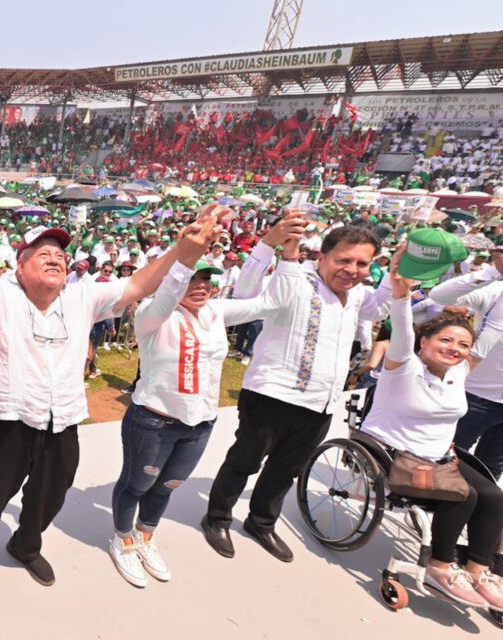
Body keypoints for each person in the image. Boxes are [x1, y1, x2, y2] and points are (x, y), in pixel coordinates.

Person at [0, 210, 215, 588]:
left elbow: (139, 285)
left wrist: (180, 249)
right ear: (20, 268)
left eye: (60, 254)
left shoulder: (82, 296)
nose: (55, 258)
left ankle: (26, 546)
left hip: (61, 419)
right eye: (43, 254)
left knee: (50, 494)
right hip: (3, 419)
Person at [108, 214, 295, 588]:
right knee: (137, 485)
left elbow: (274, 301)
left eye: (206, 279)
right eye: (193, 278)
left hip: (199, 424)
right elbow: (164, 295)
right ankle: (123, 539)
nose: (201, 286)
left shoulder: (216, 312)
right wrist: (185, 258)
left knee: (168, 486)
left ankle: (146, 536)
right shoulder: (153, 316)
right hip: (154, 421)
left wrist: (277, 247)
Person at [202, 212, 395, 563]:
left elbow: (381, 305)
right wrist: (270, 245)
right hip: (273, 394)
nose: (352, 270)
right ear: (322, 256)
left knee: (285, 470)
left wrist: (398, 271)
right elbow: (246, 292)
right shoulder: (295, 280)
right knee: (244, 461)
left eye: (362, 263)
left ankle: (261, 522)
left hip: (320, 403)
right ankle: (217, 518)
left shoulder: (357, 295)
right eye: (344, 260)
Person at [360, 258, 503, 610]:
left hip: (441, 456)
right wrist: (401, 297)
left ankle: (478, 571)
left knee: (495, 496)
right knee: (464, 495)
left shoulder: (460, 372)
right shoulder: (403, 365)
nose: (454, 348)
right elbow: (404, 331)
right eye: (445, 340)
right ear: (424, 341)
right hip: (399, 452)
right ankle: (440, 567)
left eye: (462, 344)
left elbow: (490, 336)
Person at [429, 249, 503, 477]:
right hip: (473, 396)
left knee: (489, 472)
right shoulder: (495, 291)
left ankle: (475, 513)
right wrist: (492, 271)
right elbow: (440, 295)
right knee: (448, 463)